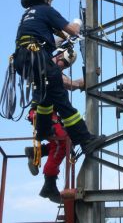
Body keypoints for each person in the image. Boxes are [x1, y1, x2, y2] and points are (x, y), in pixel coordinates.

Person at [14, 0, 105, 156]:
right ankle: (86, 140)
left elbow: (45, 40)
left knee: (46, 95)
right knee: (61, 100)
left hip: (23, 59)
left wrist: (63, 41)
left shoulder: (28, 15)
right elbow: (72, 30)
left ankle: (42, 130)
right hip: (38, 58)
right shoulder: (46, 10)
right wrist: (77, 24)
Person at [25, 48, 85, 203]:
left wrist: (86, 80)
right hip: (42, 113)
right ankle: (49, 185)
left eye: (66, 65)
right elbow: (68, 84)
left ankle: (35, 152)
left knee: (63, 140)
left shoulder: (53, 71)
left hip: (48, 114)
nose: (63, 66)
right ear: (57, 56)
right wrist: (80, 84)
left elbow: (70, 83)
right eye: (63, 62)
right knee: (62, 141)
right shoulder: (47, 69)